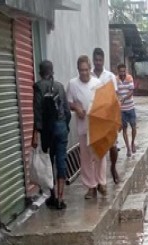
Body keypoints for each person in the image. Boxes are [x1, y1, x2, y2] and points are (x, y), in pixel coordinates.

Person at [31, 60, 71, 210]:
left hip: (47, 130)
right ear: (52, 71)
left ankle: (53, 195)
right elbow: (67, 111)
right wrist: (65, 126)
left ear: (40, 72)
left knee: (49, 161)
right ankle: (61, 197)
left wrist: (35, 134)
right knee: (61, 160)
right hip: (61, 127)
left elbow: (38, 113)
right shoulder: (60, 87)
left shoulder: (38, 87)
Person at [66, 55, 105, 199]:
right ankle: (91, 187)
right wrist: (76, 107)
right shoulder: (72, 84)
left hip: (97, 124)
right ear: (78, 70)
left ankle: (101, 182)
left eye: (86, 70)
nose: (84, 72)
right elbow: (68, 102)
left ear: (90, 69)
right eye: (81, 70)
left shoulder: (97, 83)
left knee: (99, 154)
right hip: (83, 125)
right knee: (86, 157)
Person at [92, 48, 120, 186]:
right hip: (95, 117)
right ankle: (98, 180)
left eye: (100, 60)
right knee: (97, 149)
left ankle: (113, 168)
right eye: (96, 60)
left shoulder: (110, 76)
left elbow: (114, 97)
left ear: (103, 60)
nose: (98, 62)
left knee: (113, 146)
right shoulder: (89, 76)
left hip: (108, 116)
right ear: (93, 60)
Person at [116, 63, 137, 158]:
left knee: (133, 127)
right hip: (122, 109)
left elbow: (132, 91)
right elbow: (115, 92)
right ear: (118, 71)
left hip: (130, 107)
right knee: (124, 129)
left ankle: (132, 143)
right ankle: (128, 148)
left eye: (124, 71)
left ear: (126, 71)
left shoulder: (129, 78)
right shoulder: (116, 80)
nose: (123, 73)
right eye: (121, 71)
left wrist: (124, 98)